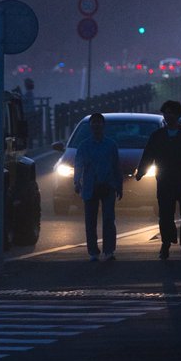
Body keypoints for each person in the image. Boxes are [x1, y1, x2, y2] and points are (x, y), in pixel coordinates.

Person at [135, 98, 181, 260]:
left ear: (177, 115)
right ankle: (166, 243)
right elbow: (148, 155)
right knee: (165, 214)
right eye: (166, 113)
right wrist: (141, 171)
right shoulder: (158, 136)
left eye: (171, 113)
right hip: (164, 180)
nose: (168, 116)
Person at [73, 110, 123, 262]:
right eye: (93, 122)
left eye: (98, 122)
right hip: (90, 186)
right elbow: (78, 165)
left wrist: (119, 186)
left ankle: (109, 251)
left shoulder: (111, 145)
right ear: (90, 125)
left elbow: (116, 166)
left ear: (103, 125)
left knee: (108, 219)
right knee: (90, 221)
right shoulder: (84, 145)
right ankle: (93, 252)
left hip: (108, 185)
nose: (96, 125)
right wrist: (76, 181)